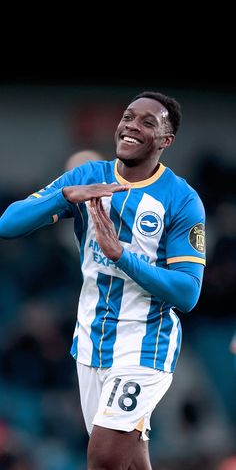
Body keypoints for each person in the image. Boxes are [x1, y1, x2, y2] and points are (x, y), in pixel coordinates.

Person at [0, 91, 206, 470]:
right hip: (91, 341)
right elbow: (8, 224)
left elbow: (188, 292)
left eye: (148, 122)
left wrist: (123, 257)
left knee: (105, 456)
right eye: (128, 117)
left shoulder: (181, 199)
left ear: (166, 140)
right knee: (128, 459)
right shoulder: (87, 177)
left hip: (146, 344)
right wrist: (63, 196)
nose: (131, 126)